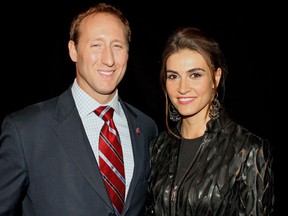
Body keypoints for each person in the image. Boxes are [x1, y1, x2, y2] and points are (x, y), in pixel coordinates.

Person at [0, 3, 158, 216]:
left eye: (117, 46)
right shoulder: (26, 131)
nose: (109, 59)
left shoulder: (146, 129)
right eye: (96, 45)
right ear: (73, 50)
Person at [145, 27, 274, 215]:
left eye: (195, 75)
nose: (182, 88)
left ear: (216, 77)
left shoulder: (248, 150)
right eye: (173, 76)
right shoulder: (158, 147)